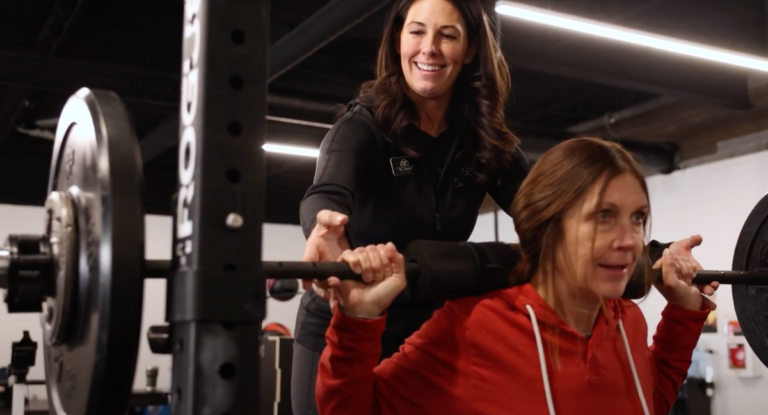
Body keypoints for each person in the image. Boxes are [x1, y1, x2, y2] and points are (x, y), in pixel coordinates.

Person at [315, 137, 720, 415]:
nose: (629, 241)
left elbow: (649, 402)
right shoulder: (473, 329)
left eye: (637, 219)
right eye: (603, 216)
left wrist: (684, 316)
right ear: (549, 226)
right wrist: (358, 322)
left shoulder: (626, 321)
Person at [291, 0, 529, 413]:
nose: (429, 48)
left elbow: (546, 211)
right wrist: (323, 227)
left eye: (447, 35)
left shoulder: (484, 139)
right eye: (417, 31)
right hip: (342, 322)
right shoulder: (363, 126)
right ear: (398, 39)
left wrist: (606, 238)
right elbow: (326, 193)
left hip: (428, 330)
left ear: (471, 49)